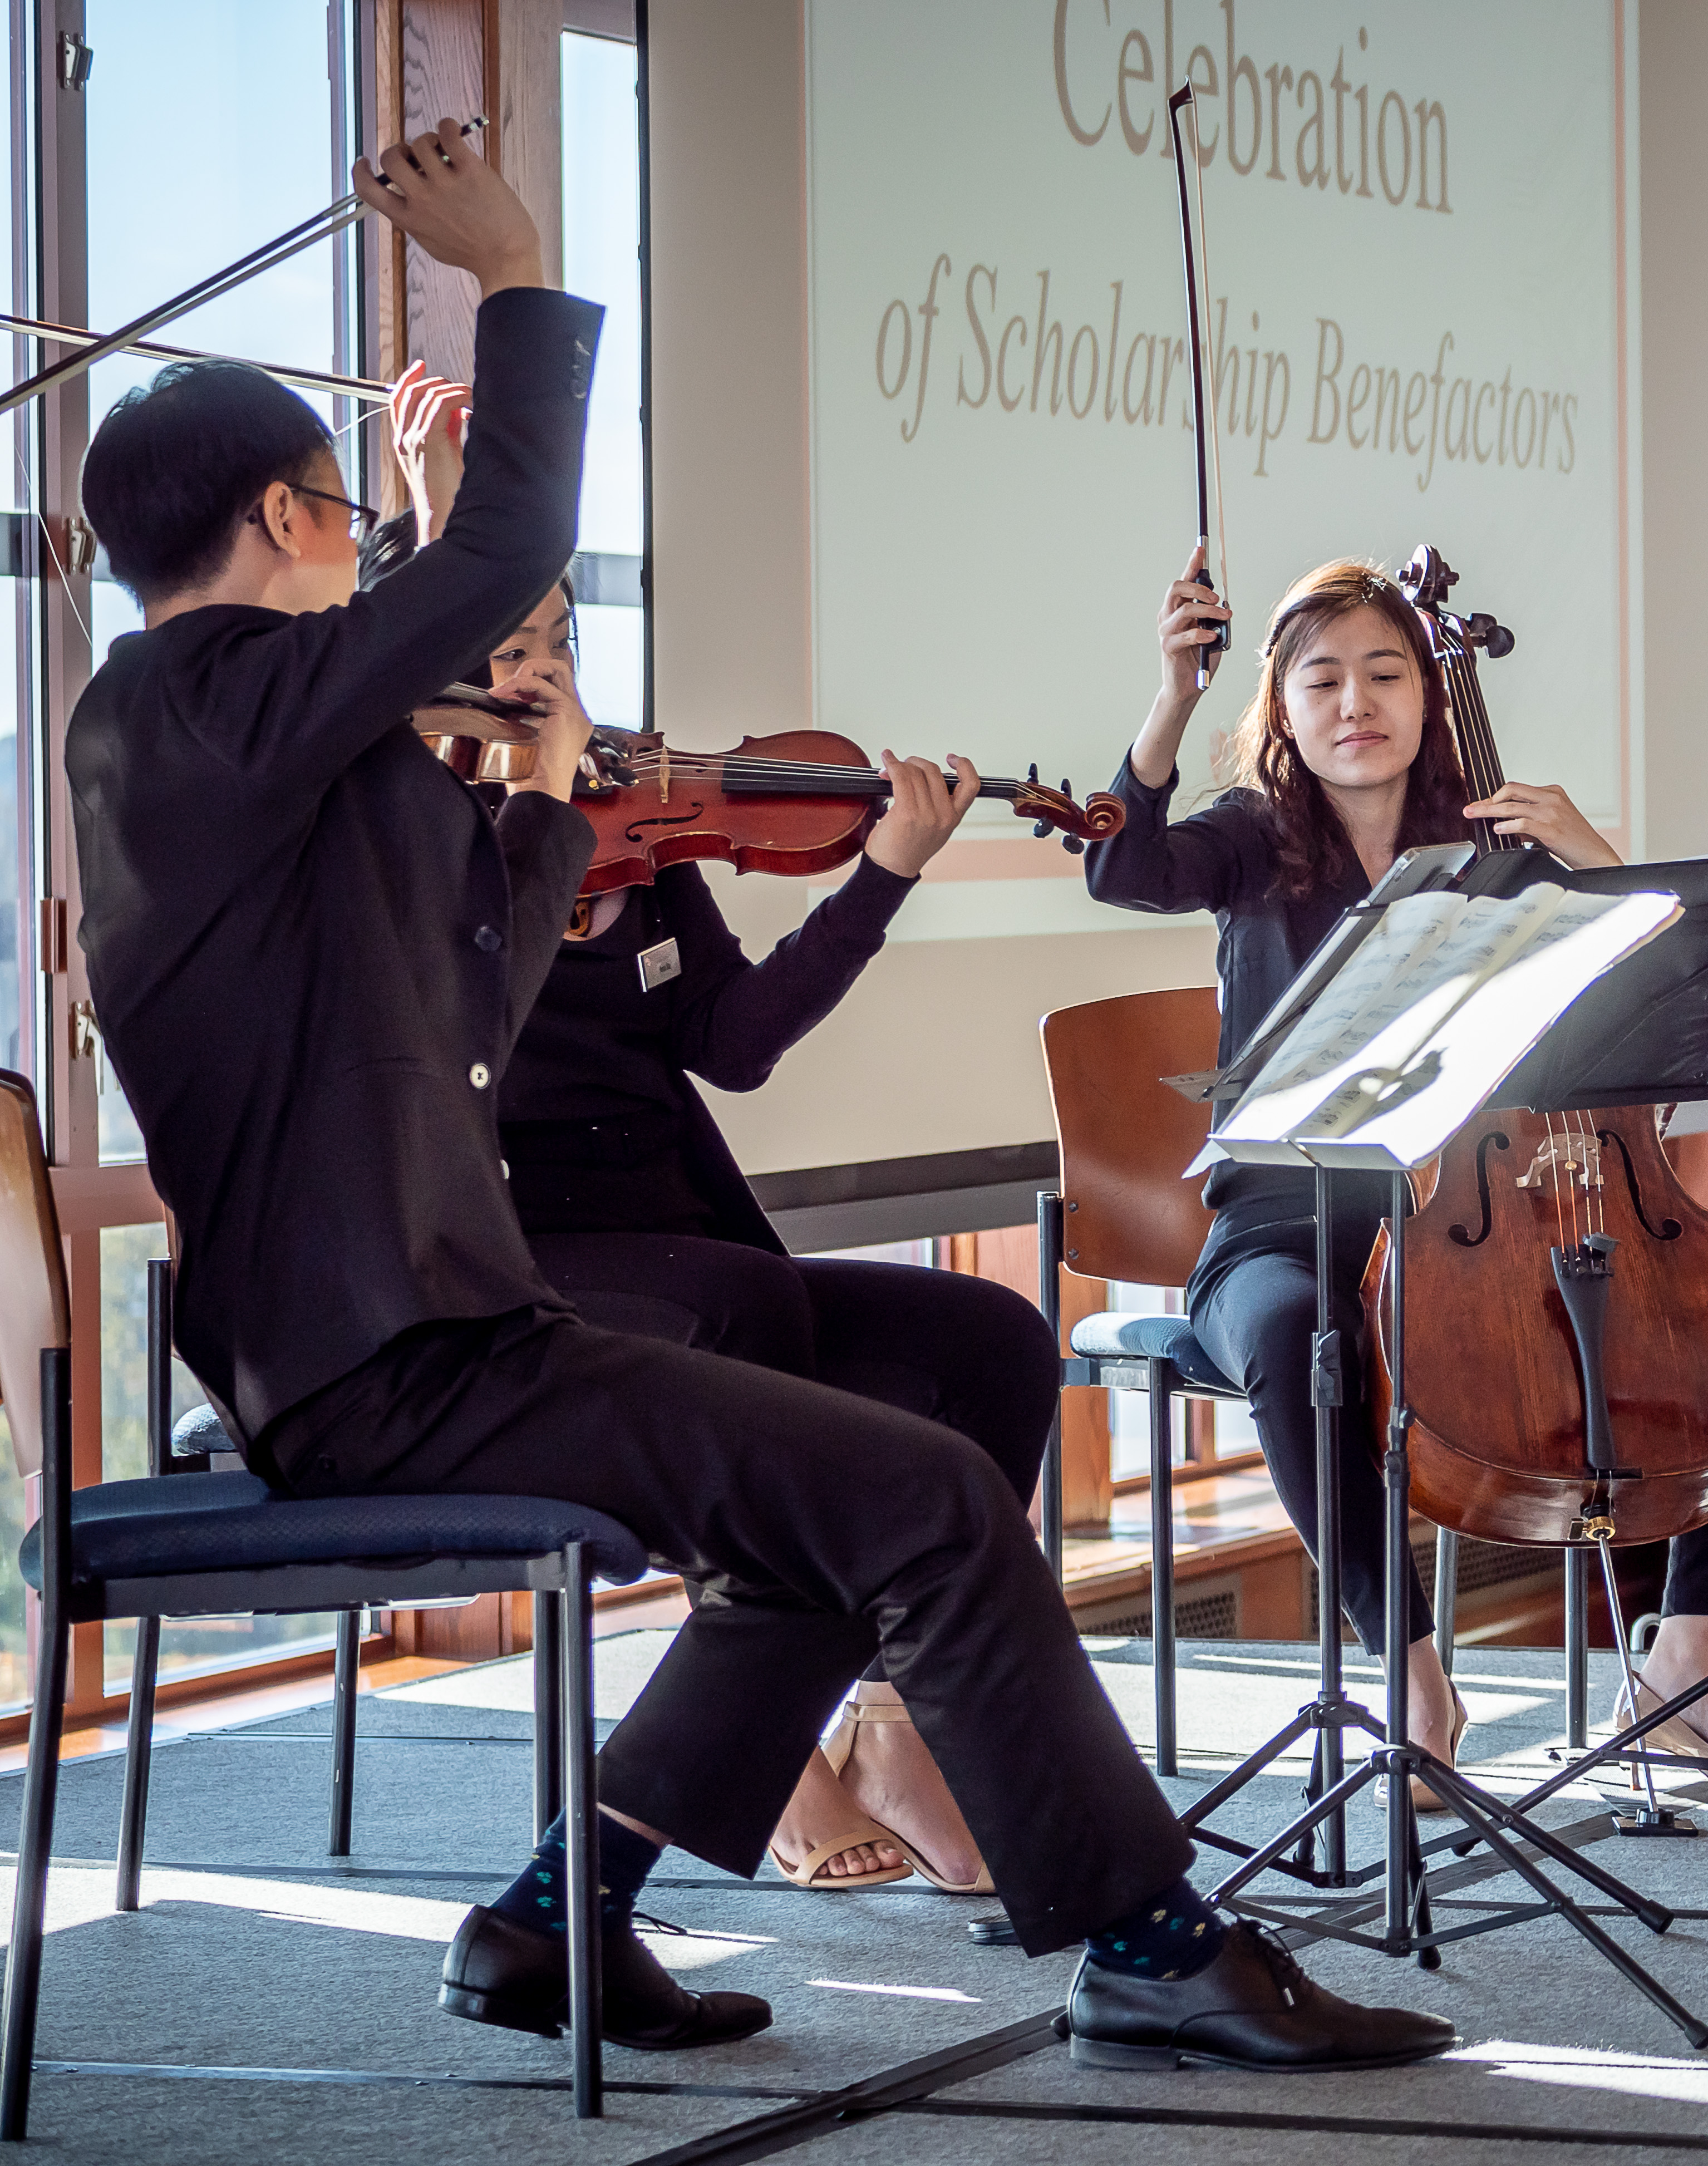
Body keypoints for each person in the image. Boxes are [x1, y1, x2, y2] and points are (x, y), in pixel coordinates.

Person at [67, 122, 1453, 2072]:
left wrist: (542, 795)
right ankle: (1143, 1936)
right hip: (405, 1358)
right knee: (924, 1498)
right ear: (298, 523)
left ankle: (565, 1911)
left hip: (447, 1329)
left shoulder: (255, 752)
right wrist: (518, 264)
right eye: (346, 533)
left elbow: (473, 969)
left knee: (960, 1369)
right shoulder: (180, 707)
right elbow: (493, 558)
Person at [382, 378, 1042, 1896]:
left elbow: (732, 1046)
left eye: (558, 641)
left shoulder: (638, 823)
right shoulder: (406, 837)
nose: (545, 676)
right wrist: (440, 532)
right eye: (503, 648)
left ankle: (874, 1720)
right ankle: (764, 1766)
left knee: (991, 1343)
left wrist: (882, 873)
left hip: (684, 1234)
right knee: (758, 1322)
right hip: (511, 1254)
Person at [1086, 549, 1708, 1799]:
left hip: (1491, 1222)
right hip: (1290, 1216)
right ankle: (1417, 1679)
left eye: (1386, 671)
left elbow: (1669, 995)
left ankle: (1686, 1668)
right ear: (1281, 706)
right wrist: (1170, 694)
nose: (1355, 702)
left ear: (1431, 696)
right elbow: (1121, 867)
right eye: (1320, 680)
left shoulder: (1498, 846)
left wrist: (1591, 856)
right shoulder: (1250, 840)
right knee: (1295, 1333)